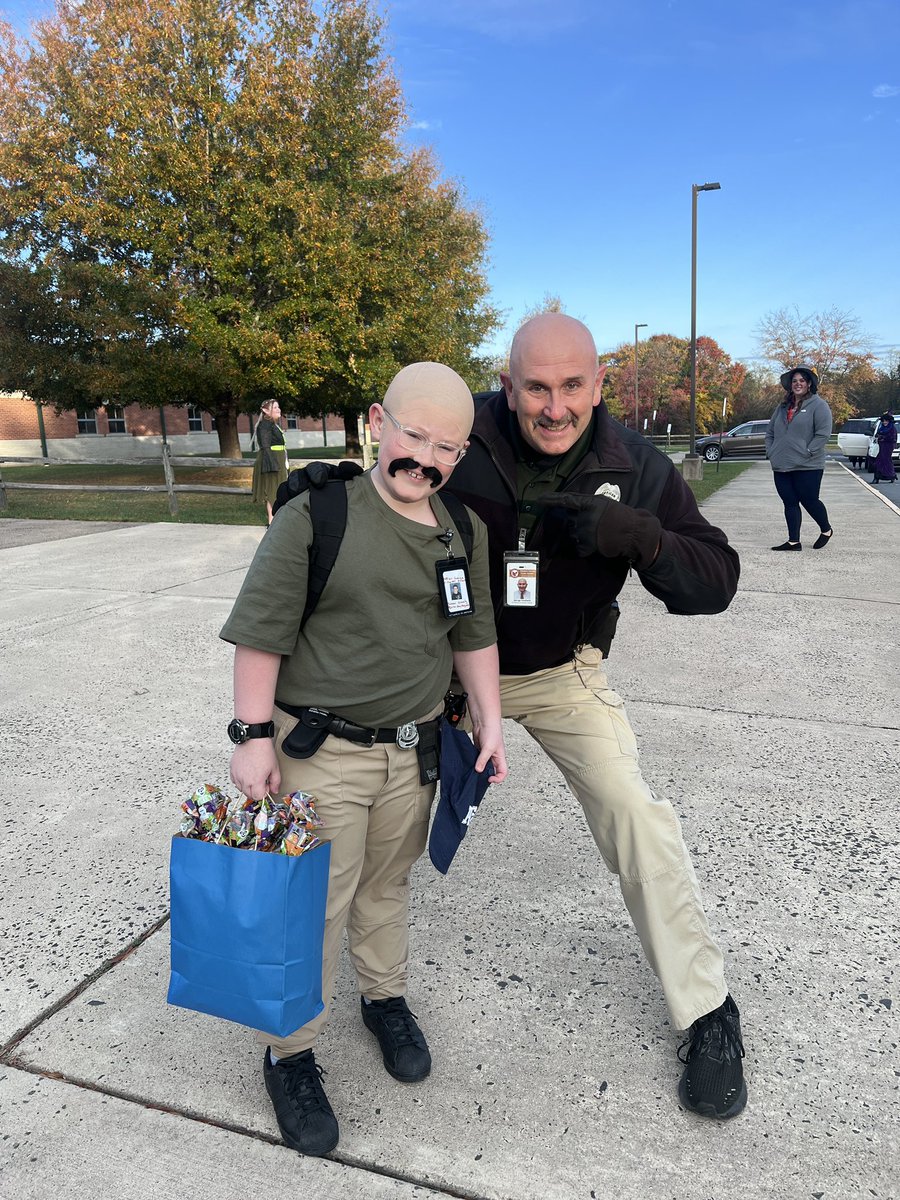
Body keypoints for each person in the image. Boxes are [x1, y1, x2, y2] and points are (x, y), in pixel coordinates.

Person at [447, 312, 747, 1120]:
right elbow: (384, 486)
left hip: (558, 672)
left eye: (572, 386)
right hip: (442, 671)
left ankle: (709, 1010)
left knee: (635, 817)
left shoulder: (635, 464)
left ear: (598, 384)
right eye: (535, 387)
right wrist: (321, 496)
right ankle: (324, 1003)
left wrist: (640, 538)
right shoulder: (459, 431)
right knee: (364, 815)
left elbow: (717, 577)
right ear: (507, 384)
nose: (554, 407)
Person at [221, 362, 507, 1157]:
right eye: (414, 436)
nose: (426, 458)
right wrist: (250, 739)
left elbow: (473, 634)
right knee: (310, 905)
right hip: (321, 754)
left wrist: (490, 722)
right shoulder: (318, 514)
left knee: (386, 885)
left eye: (447, 447)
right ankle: (291, 1053)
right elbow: (261, 631)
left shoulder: (464, 531)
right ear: (378, 422)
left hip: (413, 755)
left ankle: (383, 998)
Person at [765, 366, 834, 550]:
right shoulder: (782, 408)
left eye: (802, 381)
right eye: (794, 381)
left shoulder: (819, 405)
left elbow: (823, 434)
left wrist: (808, 451)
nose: (798, 384)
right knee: (789, 502)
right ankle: (793, 541)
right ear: (790, 385)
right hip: (781, 464)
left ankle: (826, 529)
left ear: (809, 384)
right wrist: (771, 452)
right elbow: (770, 433)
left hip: (808, 464)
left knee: (809, 500)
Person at [251, 399, 289, 524]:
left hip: (278, 459)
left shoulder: (273, 424)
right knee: (273, 491)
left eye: (279, 407)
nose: (279, 410)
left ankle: (276, 522)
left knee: (278, 490)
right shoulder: (265, 425)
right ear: (265, 410)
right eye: (275, 408)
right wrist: (273, 464)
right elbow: (265, 446)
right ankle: (272, 523)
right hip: (272, 461)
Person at [871, 412, 897, 484]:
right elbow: (877, 434)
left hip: (888, 447)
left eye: (886, 421)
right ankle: (877, 477)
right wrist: (878, 436)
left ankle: (891, 475)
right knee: (878, 461)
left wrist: (883, 438)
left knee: (886, 461)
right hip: (881, 447)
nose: (884, 422)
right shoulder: (881, 427)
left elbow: (893, 438)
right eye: (883, 421)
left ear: (889, 421)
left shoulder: (892, 429)